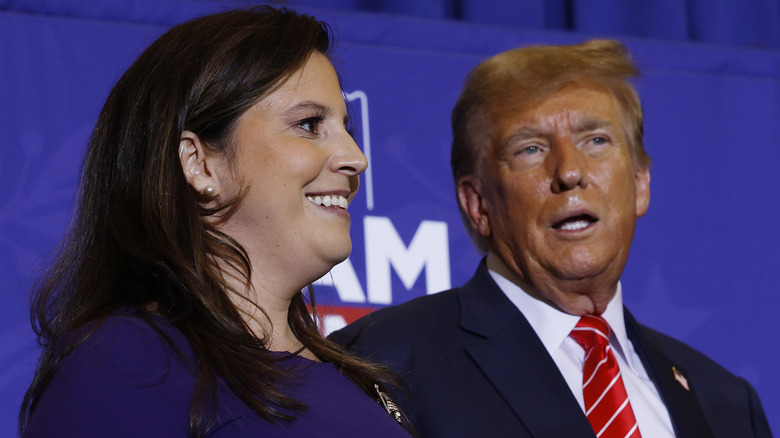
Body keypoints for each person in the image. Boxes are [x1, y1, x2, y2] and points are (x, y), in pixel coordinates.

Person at [330, 40, 772, 437]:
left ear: (640, 183)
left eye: (596, 140)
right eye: (531, 149)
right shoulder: (379, 365)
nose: (570, 172)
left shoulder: (727, 405)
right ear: (478, 203)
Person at [18, 6, 410, 437]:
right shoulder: (126, 363)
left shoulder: (355, 378)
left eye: (345, 126)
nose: (356, 157)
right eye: (309, 124)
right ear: (199, 164)